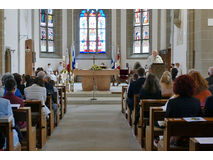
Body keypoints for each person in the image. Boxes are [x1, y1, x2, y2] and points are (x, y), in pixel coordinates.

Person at [165, 75, 202, 146]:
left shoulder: (172, 102)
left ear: (176, 86)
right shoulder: (196, 102)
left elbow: (167, 120)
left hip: (176, 138)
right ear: (192, 87)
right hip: (192, 137)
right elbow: (199, 119)